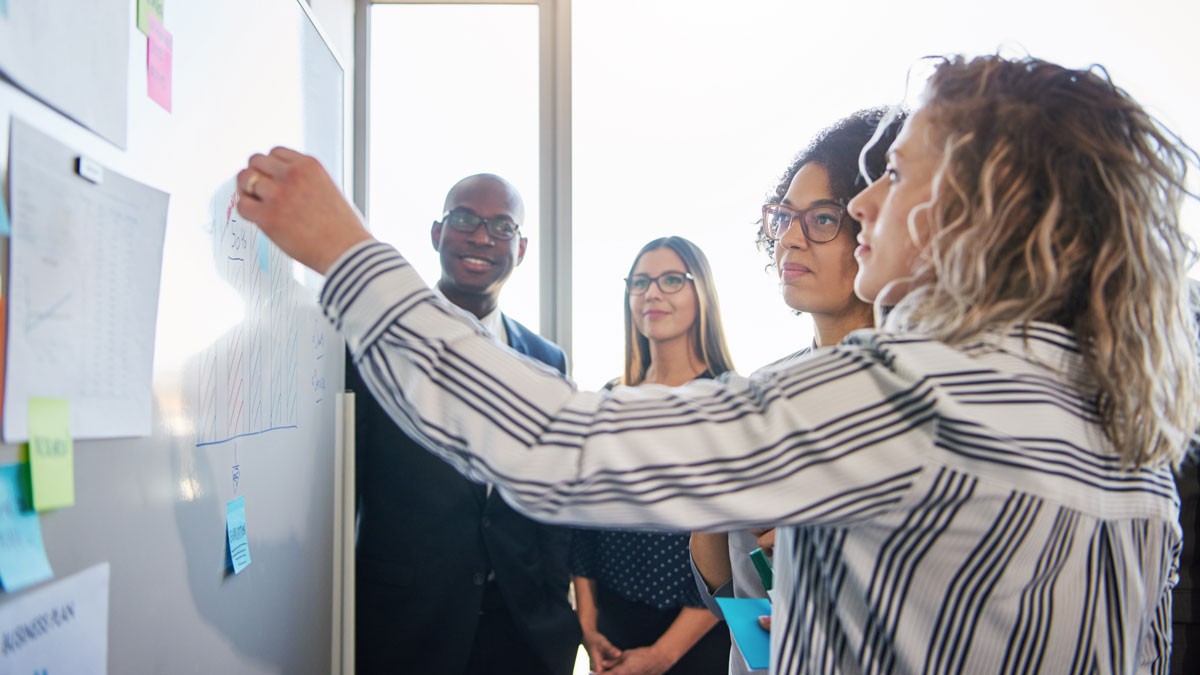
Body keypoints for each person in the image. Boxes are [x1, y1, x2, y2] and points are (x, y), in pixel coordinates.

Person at [238, 53, 1200, 672]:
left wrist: (347, 253)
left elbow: (555, 442)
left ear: (989, 208)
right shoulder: (1126, 433)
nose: (865, 205)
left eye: (899, 174)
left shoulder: (921, 392)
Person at [687, 107, 903, 675]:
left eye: (823, 219)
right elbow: (731, 594)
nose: (790, 239)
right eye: (784, 217)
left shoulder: (921, 398)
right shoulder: (760, 390)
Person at [347, 174, 581, 675]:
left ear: (520, 248)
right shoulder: (381, 343)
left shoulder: (546, 359)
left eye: (501, 227)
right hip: (405, 626)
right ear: (437, 234)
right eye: (464, 219)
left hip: (522, 631)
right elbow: (345, 492)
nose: (480, 237)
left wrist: (554, 606)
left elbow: (552, 500)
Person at [572, 236, 734, 675]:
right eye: (640, 282)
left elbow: (733, 553)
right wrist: (586, 622)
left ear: (701, 292)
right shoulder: (609, 398)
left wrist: (663, 655)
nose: (652, 293)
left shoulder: (730, 403)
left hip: (696, 640)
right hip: (612, 629)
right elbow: (583, 523)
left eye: (671, 280)